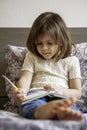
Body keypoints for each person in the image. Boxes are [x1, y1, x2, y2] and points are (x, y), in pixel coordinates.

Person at [11, 12, 83, 120]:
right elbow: (25, 78)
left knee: (68, 105)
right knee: (29, 105)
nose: (44, 48)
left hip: (60, 96)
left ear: (61, 41)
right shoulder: (32, 56)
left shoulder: (72, 60)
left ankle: (63, 113)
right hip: (36, 95)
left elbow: (77, 92)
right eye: (39, 43)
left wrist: (61, 90)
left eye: (49, 43)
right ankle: (43, 110)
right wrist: (21, 91)